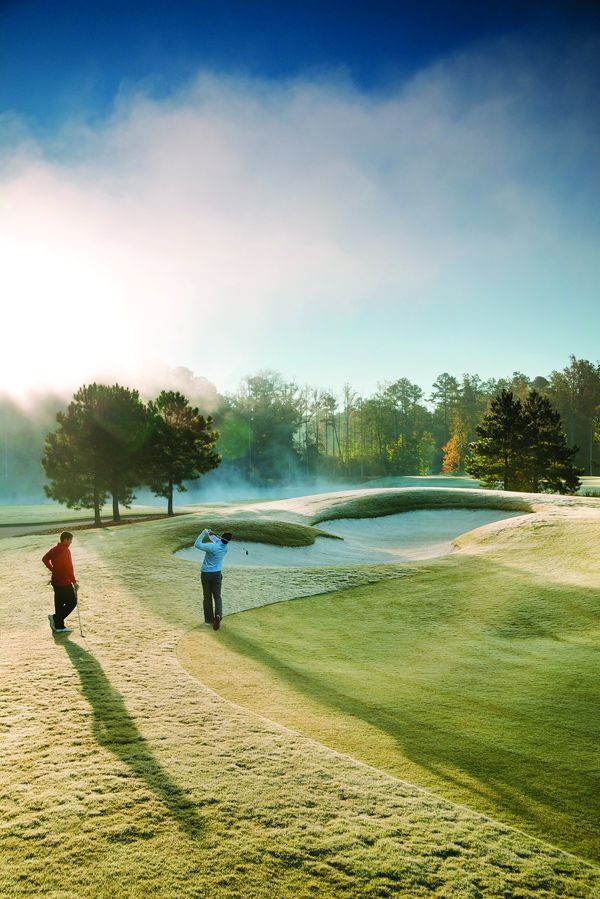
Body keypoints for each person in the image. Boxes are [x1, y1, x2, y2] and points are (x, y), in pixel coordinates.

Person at [194, 528, 232, 630]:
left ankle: (209, 620)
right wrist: (211, 535)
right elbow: (217, 540)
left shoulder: (212, 547)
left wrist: (204, 532)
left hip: (206, 574)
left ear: (221, 538)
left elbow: (197, 544)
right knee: (217, 597)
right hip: (217, 574)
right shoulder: (225, 547)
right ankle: (218, 616)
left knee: (207, 597)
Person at [42, 531, 79, 634]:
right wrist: (74, 582)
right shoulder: (66, 551)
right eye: (70, 540)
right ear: (65, 539)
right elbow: (69, 568)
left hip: (55, 581)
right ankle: (56, 619)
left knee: (59, 604)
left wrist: (53, 569)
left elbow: (45, 559)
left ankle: (59, 626)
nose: (71, 542)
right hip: (64, 582)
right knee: (72, 602)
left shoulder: (54, 549)